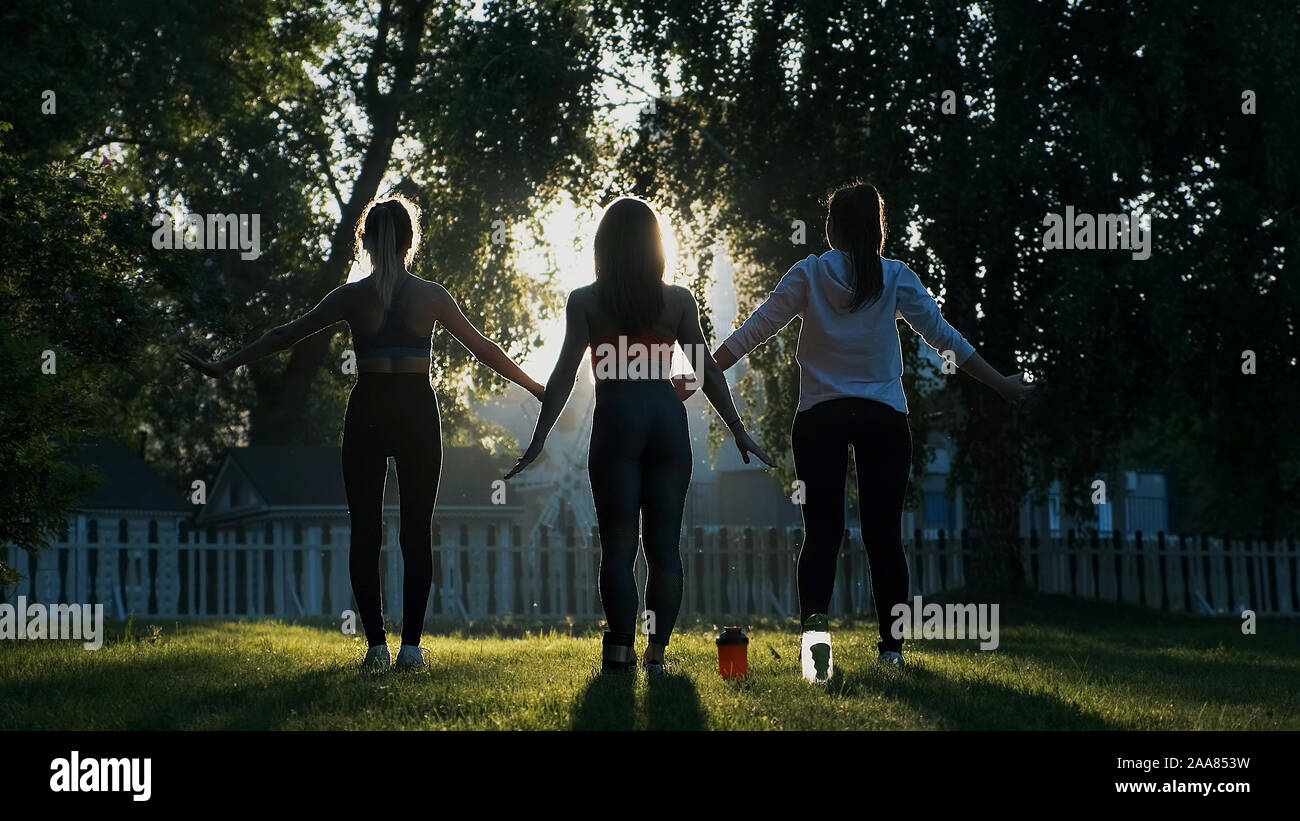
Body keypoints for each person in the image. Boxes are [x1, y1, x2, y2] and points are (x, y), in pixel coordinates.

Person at [681, 181, 1035, 677]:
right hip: (883, 418)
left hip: (820, 417)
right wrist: (999, 384)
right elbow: (944, 338)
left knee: (821, 535)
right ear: (878, 230)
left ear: (832, 228)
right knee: (883, 536)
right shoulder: (895, 278)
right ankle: (891, 651)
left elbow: (753, 331)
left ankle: (816, 654)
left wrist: (697, 378)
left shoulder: (809, 273)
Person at [180, 194, 544, 672]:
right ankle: (410, 649)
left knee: (365, 530)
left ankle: (376, 646)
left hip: (369, 408)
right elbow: (483, 349)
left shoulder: (352, 297)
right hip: (415, 409)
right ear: (411, 241)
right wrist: (537, 387)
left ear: (366, 242)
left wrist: (224, 365)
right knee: (416, 530)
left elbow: (284, 335)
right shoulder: (430, 295)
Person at [505, 197, 773, 675]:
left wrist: (540, 437)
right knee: (665, 549)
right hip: (667, 421)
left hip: (618, 421)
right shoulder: (677, 300)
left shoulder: (586, 300)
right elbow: (706, 369)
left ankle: (619, 655)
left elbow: (565, 373)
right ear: (656, 246)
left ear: (603, 247)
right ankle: (656, 656)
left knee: (619, 548)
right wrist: (737, 428)